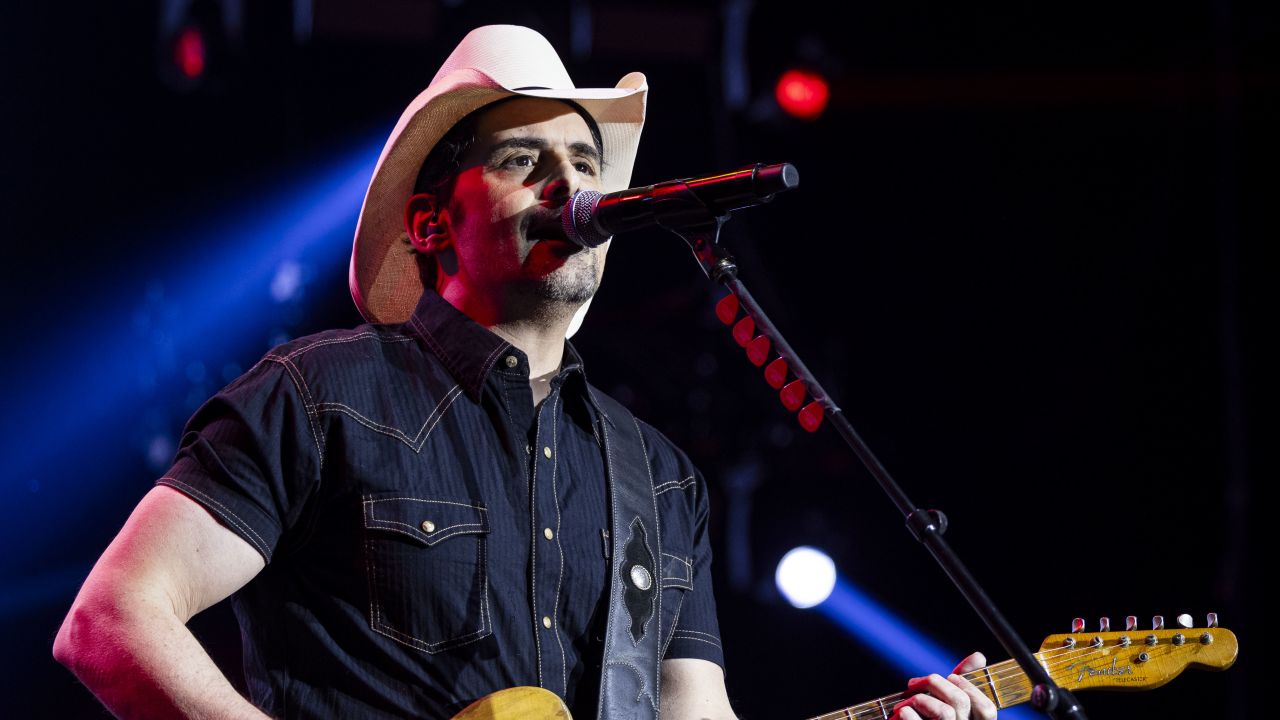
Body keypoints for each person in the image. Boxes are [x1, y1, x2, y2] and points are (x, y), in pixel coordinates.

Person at [53, 24, 996, 720]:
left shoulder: (662, 481)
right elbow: (111, 621)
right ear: (432, 224)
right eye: (524, 160)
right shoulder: (318, 394)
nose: (572, 186)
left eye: (586, 161)